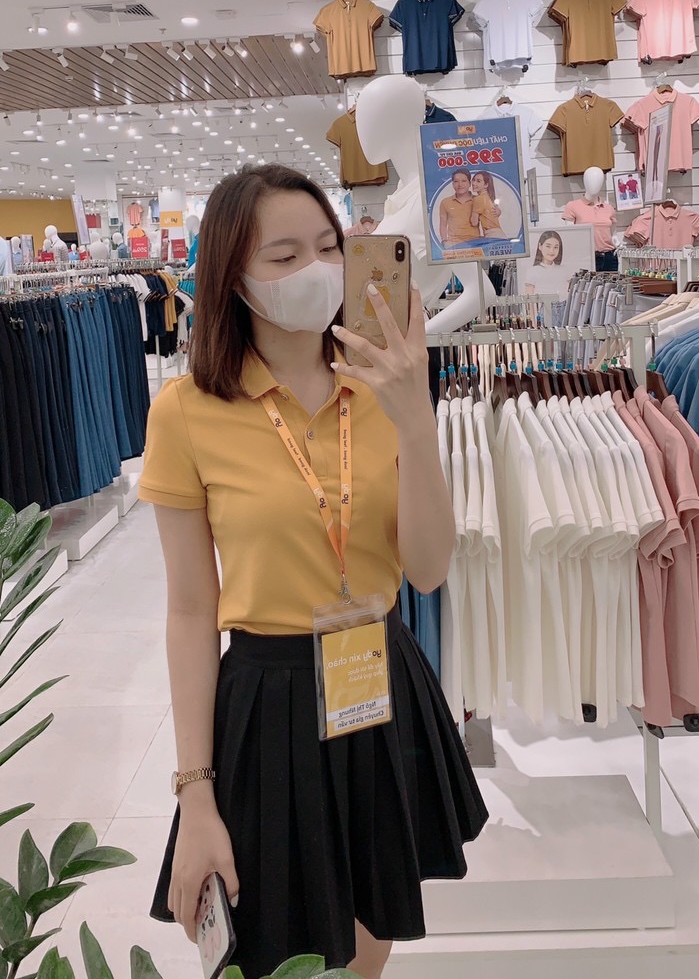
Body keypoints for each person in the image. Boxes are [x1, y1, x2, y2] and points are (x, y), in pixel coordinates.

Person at [139, 164, 488, 979]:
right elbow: (190, 611)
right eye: (285, 256)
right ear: (232, 278)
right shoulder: (187, 412)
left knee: (369, 935)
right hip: (268, 696)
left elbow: (428, 568)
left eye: (330, 247)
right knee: (274, 944)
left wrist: (415, 417)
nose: (318, 270)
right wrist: (195, 792)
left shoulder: (384, 386)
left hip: (379, 675)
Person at [523, 230, 568, 297]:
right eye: (548, 246)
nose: (551, 251)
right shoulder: (532, 271)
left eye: (555, 247)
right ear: (540, 246)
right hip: (540, 303)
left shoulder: (564, 270)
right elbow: (529, 299)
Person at [439, 169, 477, 247]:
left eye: (464, 181)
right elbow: (443, 224)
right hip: (454, 244)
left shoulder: (477, 200)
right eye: (456, 181)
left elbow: (488, 218)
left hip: (475, 243)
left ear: (469, 183)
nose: (460, 184)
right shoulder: (445, 202)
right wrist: (444, 241)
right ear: (453, 184)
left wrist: (497, 211)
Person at [469, 171, 505, 236]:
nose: (474, 183)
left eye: (478, 181)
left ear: (486, 185)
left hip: (492, 234)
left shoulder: (478, 199)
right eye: (473, 180)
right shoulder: (489, 197)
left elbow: (474, 222)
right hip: (498, 233)